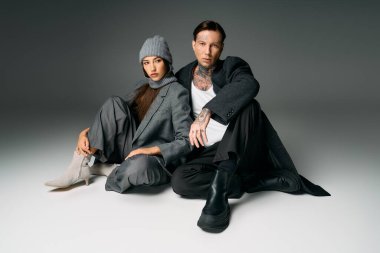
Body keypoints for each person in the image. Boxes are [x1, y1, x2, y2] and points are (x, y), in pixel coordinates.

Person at [170, 20, 330, 233]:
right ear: (193, 45)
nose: (207, 51)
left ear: (222, 48)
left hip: (242, 147)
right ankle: (253, 181)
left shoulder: (232, 66)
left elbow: (249, 84)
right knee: (180, 182)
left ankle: (218, 197)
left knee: (250, 105)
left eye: (214, 45)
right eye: (202, 44)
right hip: (207, 152)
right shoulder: (181, 76)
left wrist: (207, 112)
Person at [45, 35, 192, 193]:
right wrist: (85, 133)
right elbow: (111, 117)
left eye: (157, 60)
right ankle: (79, 164)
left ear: (167, 62)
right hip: (131, 147)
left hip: (152, 158)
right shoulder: (142, 87)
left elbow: (185, 141)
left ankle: (111, 169)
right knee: (114, 102)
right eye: (146, 62)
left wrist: (149, 150)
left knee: (139, 167)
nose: (152, 68)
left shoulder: (177, 92)